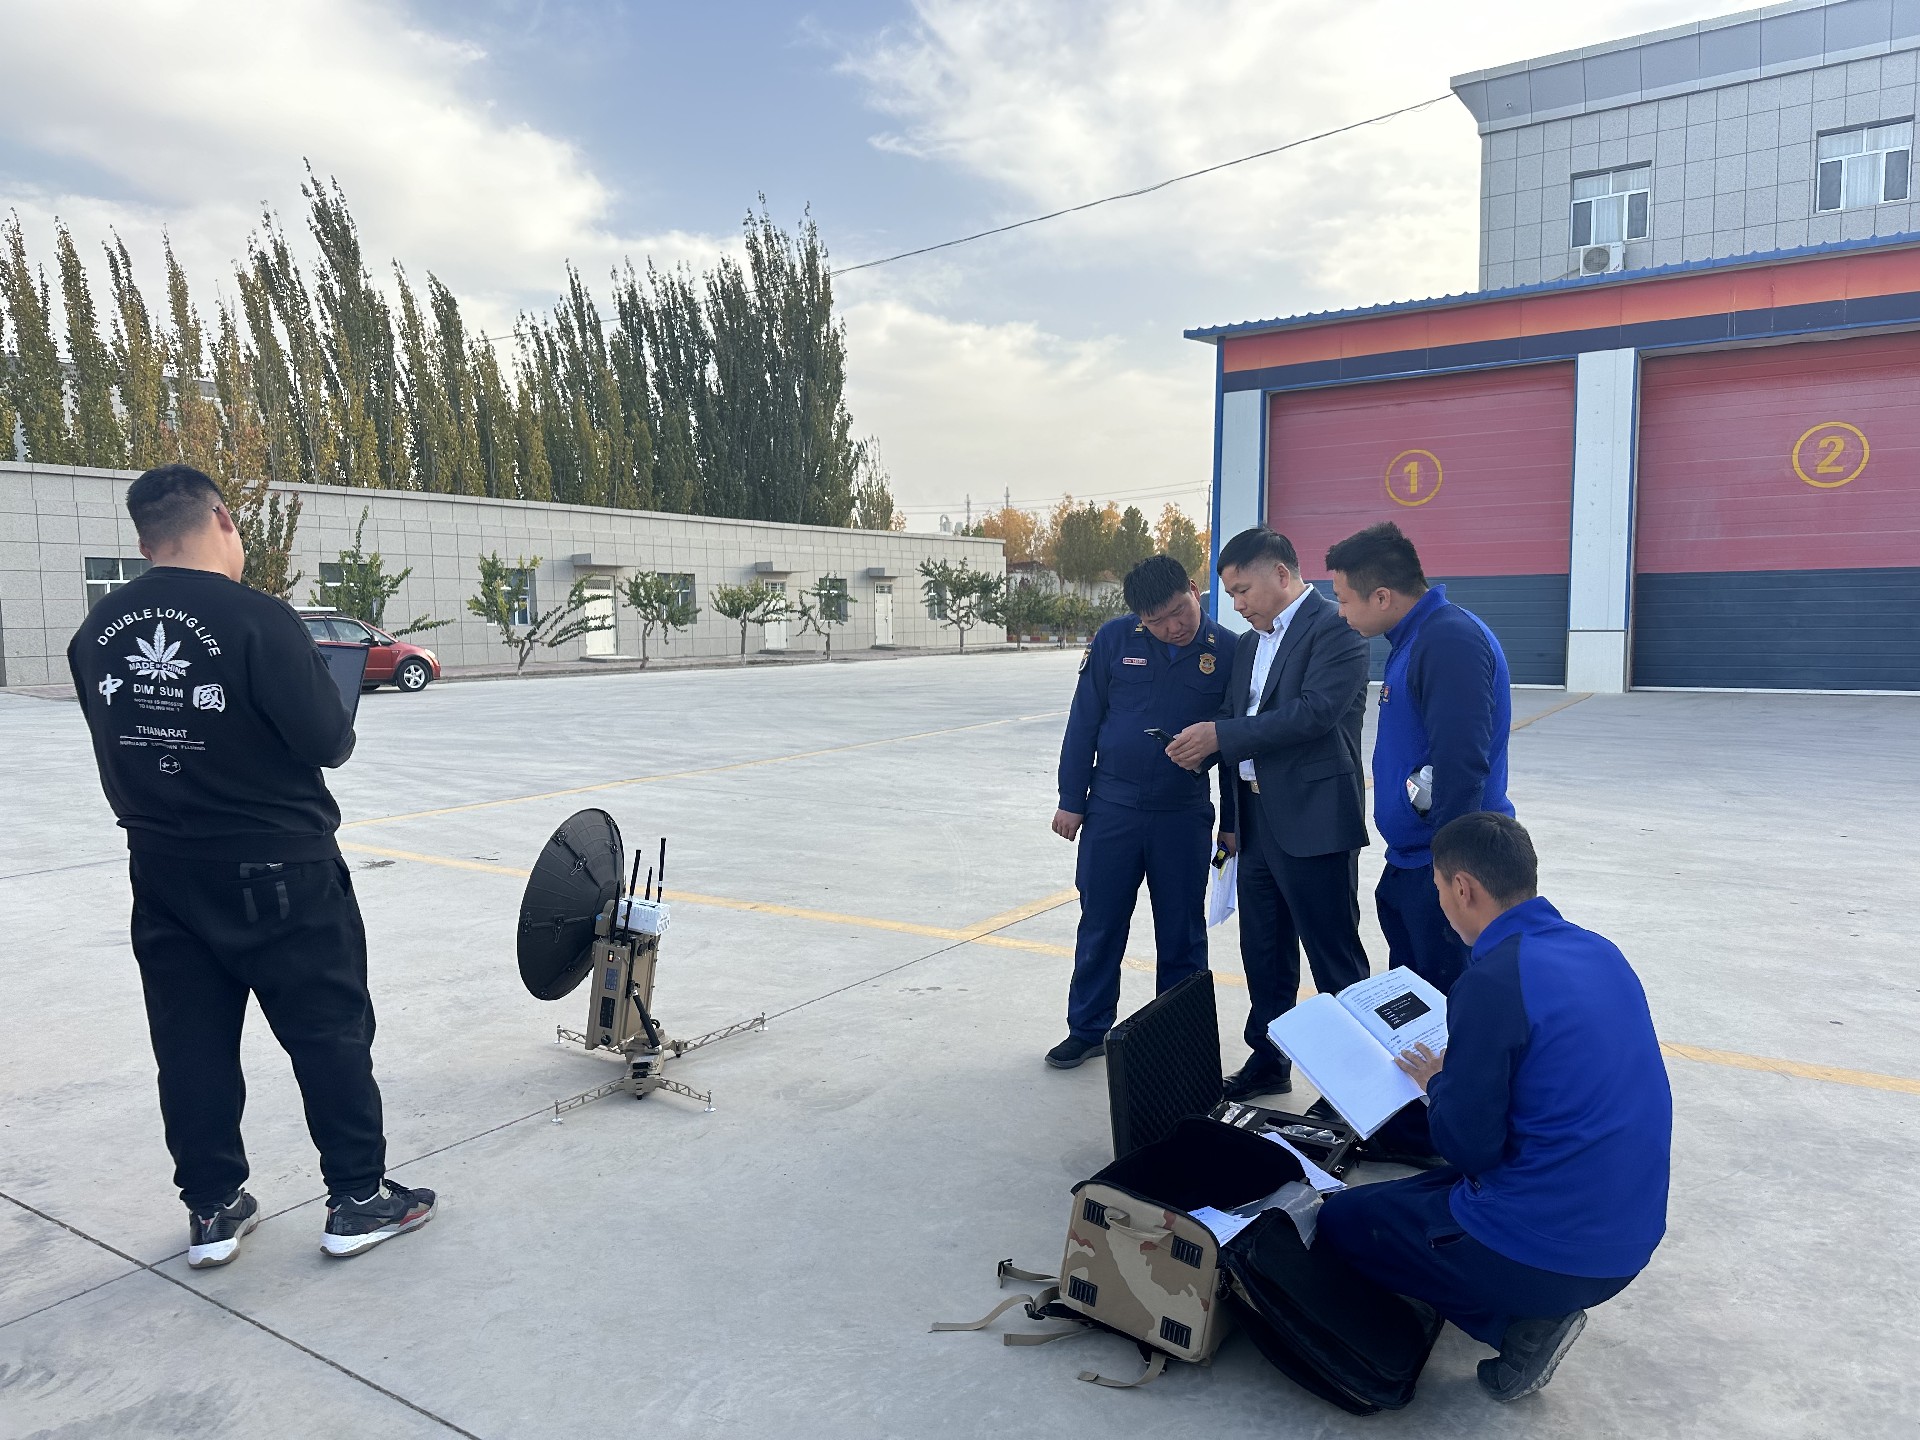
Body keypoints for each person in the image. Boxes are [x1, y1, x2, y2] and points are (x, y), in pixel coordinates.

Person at [67, 464, 435, 1268]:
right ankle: (357, 1199)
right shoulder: (260, 620)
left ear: (145, 542)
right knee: (328, 1032)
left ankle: (212, 1209)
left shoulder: (97, 630)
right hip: (278, 869)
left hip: (162, 867)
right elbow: (328, 742)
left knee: (190, 1044)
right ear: (224, 521)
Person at [1317, 813, 1671, 1404]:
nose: (1441, 904)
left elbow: (1468, 1148)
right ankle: (1518, 1293)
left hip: (1553, 1250)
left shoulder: (1492, 981)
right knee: (1412, 1194)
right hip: (1628, 1236)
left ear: (1463, 888)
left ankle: (1518, 1328)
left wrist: (1441, 1085)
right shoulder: (1598, 950)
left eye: (1438, 889)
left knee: (1344, 1222)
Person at [1167, 527, 1370, 1102]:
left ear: (1281, 574)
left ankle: (1354, 1082)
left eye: (1242, 591)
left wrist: (1221, 736)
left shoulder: (1336, 627)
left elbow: (1314, 714)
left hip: (1313, 819)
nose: (1236, 605)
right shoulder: (1250, 645)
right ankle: (1269, 1059)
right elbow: (1235, 717)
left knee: (1333, 957)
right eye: (1229, 594)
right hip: (1255, 822)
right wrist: (1223, 798)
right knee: (1264, 952)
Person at [1048, 555, 1237, 1069]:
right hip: (1112, 810)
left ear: (1194, 589)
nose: (1173, 627)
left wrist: (1232, 825)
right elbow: (1084, 721)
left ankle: (1176, 1042)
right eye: (1156, 621)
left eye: (1179, 612)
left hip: (1182, 815)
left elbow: (1236, 748)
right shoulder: (1115, 640)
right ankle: (1087, 1029)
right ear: (1139, 618)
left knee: (1182, 932)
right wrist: (1071, 799)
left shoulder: (1228, 651)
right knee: (1101, 923)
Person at [1324, 521, 1512, 995]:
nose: (1340, 613)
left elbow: (1462, 765)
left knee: (1447, 1008)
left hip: (1445, 869)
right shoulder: (1414, 638)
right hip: (1415, 862)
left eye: (1344, 599)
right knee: (1417, 1007)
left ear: (1382, 597)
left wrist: (1450, 874)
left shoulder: (1448, 640)